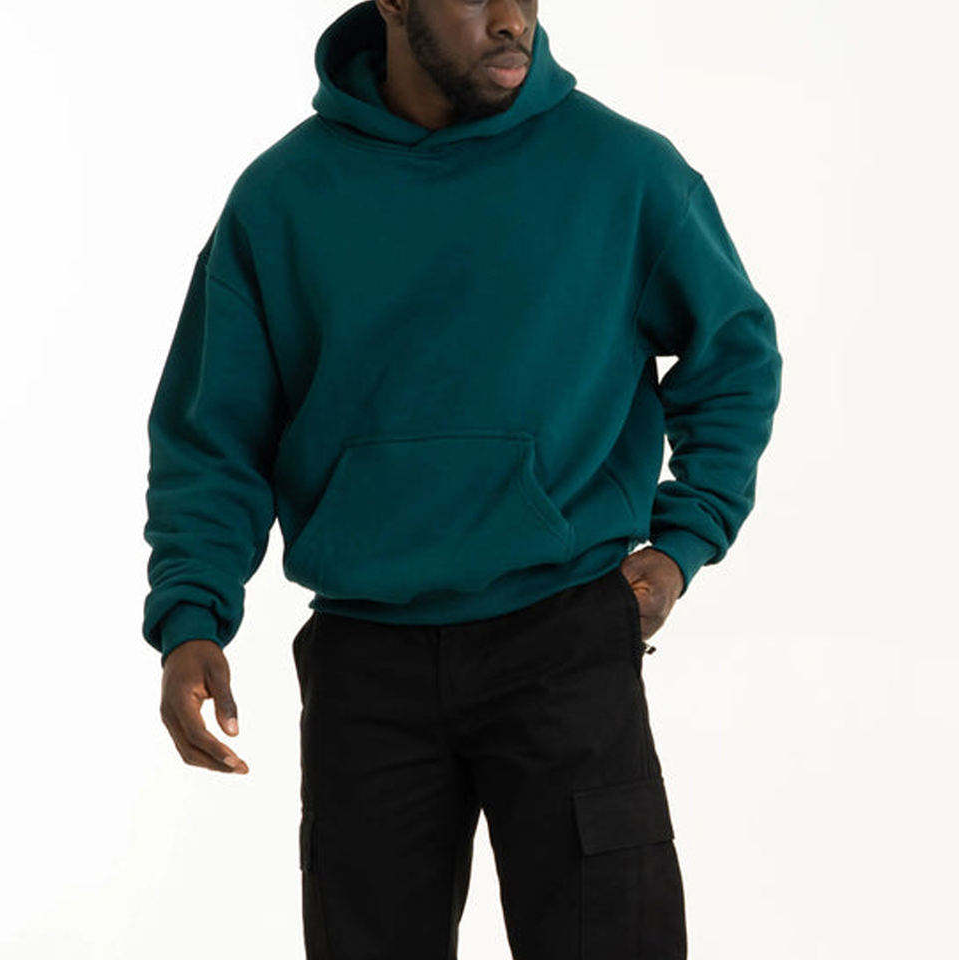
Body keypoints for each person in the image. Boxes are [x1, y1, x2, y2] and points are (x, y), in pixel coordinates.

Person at [142, 1, 783, 956]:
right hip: (369, 665)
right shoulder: (284, 199)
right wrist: (192, 614)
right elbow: (212, 430)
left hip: (565, 640)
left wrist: (685, 541)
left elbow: (734, 355)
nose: (513, 18)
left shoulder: (623, 170)